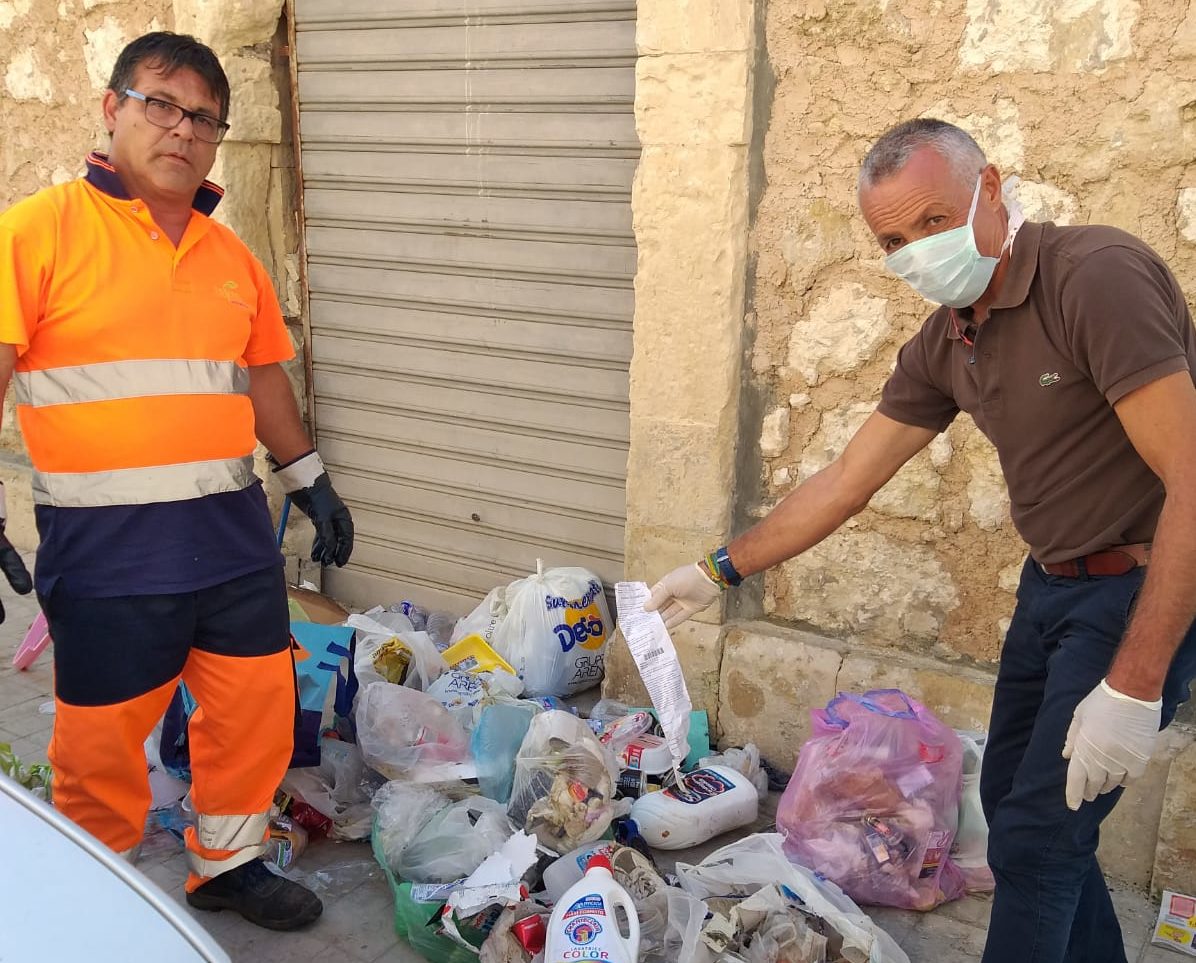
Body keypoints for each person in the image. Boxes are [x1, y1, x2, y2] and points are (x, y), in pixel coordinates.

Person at [645, 118, 1196, 963]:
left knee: (1039, 839)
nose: (918, 252)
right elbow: (846, 479)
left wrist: (1134, 683)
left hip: (1138, 586)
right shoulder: (949, 339)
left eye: (934, 220)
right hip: (1051, 587)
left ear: (991, 188)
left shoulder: (1093, 276)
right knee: (1015, 810)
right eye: (894, 241)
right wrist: (717, 568)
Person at [0, 32, 354, 930]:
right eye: (160, 103)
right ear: (111, 108)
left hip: (230, 540)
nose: (183, 129)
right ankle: (92, 903)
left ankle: (227, 864)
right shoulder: (36, 232)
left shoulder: (229, 256)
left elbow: (263, 378)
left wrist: (309, 479)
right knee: (102, 742)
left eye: (204, 117)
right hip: (108, 551)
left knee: (253, 711)